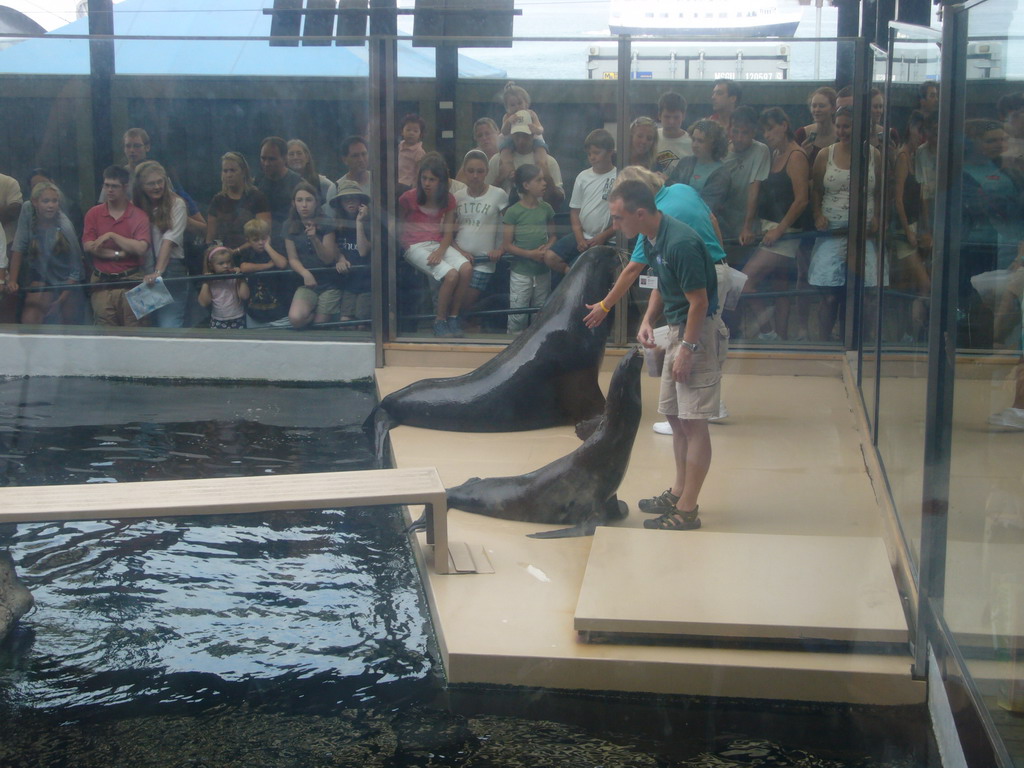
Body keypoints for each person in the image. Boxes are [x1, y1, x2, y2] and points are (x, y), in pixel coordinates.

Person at [582, 165, 731, 428]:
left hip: (694, 273)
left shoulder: (655, 223)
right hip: (717, 267)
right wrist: (719, 256)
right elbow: (714, 220)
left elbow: (632, 270)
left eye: (618, 215)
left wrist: (605, 305)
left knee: (695, 338)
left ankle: (698, 411)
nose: (615, 224)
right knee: (708, 333)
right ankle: (707, 405)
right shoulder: (683, 190)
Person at [610, 180, 720, 531]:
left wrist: (687, 349)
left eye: (618, 218)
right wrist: (647, 319)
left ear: (639, 214)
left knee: (693, 421)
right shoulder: (652, 237)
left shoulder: (681, 242)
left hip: (695, 331)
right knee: (674, 417)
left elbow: (699, 303)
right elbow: (662, 282)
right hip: (676, 326)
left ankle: (688, 509)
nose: (615, 226)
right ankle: (678, 490)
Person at [807, 106, 882, 342]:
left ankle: (864, 344)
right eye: (838, 126)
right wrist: (817, 214)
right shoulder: (824, 155)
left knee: (868, 295)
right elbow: (816, 190)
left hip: (864, 233)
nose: (842, 131)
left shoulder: (874, 155)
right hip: (831, 232)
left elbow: (880, 191)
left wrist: (878, 217)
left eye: (847, 126)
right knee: (828, 295)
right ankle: (823, 342)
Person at [740, 107, 810, 341]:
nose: (767, 135)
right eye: (764, 131)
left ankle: (768, 333)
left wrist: (780, 230)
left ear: (784, 125)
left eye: (771, 129)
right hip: (771, 229)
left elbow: (802, 200)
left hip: (785, 233)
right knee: (781, 289)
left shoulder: (795, 156)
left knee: (744, 281)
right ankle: (780, 339)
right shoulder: (775, 154)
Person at [399, 152, 472, 337]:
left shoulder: (448, 199)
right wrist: (404, 245)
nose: (427, 183)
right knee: (451, 275)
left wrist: (440, 251)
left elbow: (448, 232)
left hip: (438, 243)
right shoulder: (408, 198)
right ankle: (440, 320)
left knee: (466, 268)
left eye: (432, 179)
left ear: (441, 181)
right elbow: (397, 226)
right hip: (414, 246)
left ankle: (454, 316)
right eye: (424, 178)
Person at [82, 165, 151, 327]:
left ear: (125, 187)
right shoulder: (93, 213)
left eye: (114, 186)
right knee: (105, 334)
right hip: (102, 281)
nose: (109, 190)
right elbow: (89, 246)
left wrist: (111, 236)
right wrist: (120, 253)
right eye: (106, 185)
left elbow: (141, 248)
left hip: (134, 280)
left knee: (137, 332)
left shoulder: (139, 215)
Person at [6, 181, 83, 325]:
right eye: (46, 201)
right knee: (30, 317)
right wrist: (12, 280)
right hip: (40, 277)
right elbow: (19, 246)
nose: (51, 205)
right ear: (35, 202)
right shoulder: (27, 209)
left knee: (69, 320)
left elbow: (76, 270)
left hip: (66, 281)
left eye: (54, 201)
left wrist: (61, 299)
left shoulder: (65, 226)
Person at [546, 129, 617, 275]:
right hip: (583, 235)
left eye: (597, 153)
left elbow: (624, 218)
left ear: (610, 152)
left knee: (589, 271)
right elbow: (574, 211)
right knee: (550, 257)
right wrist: (579, 238)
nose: (592, 157)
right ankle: (572, 276)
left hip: (608, 239)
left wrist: (603, 236)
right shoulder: (582, 177)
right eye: (590, 153)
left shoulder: (619, 176)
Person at [452, 149, 508, 325]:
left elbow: (509, 225)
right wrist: (459, 251)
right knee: (451, 304)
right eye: (471, 171)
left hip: (483, 262)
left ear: (486, 172)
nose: (475, 175)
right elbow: (448, 232)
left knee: (465, 304)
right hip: (458, 260)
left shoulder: (498, 194)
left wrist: (501, 248)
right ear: (464, 171)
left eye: (480, 171)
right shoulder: (457, 197)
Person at [890, 110, 931, 342]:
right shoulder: (904, 156)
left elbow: (922, 196)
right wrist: (907, 231)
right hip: (902, 231)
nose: (922, 135)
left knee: (911, 285)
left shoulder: (918, 156)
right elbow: (897, 199)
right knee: (923, 284)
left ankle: (908, 334)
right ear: (910, 130)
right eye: (919, 131)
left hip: (915, 228)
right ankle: (910, 335)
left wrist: (925, 229)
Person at [133, 160, 190, 328]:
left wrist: (157, 272)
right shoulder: (136, 206)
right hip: (142, 269)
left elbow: (169, 241)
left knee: (168, 326)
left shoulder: (177, 204)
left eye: (160, 182)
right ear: (142, 186)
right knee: (145, 327)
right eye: (151, 183)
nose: (157, 187)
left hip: (170, 268)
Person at [503, 163, 556, 335]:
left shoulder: (546, 209)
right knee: (517, 315)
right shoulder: (513, 212)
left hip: (542, 270)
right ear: (526, 185)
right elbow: (507, 245)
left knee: (540, 314)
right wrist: (530, 254)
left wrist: (547, 248)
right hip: (521, 273)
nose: (544, 183)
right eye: (538, 180)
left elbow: (554, 236)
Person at [284, 182, 342, 329]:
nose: (304, 205)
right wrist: (305, 273)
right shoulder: (289, 225)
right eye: (299, 200)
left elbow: (328, 258)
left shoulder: (327, 222)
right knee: (296, 319)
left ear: (316, 202)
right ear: (294, 203)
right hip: (307, 283)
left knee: (319, 325)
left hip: (330, 283)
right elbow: (293, 259)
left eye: (308, 200)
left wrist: (314, 239)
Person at [719, 106, 771, 246]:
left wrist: (747, 228)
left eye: (745, 133)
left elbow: (754, 188)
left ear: (754, 132)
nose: (739, 138)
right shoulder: (720, 152)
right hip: (722, 223)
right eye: (735, 131)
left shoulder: (761, 150)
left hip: (749, 226)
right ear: (729, 129)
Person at [486, 122, 565, 210]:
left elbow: (559, 201)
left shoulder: (549, 161)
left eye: (525, 135)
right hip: (506, 219)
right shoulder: (497, 160)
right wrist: (500, 178)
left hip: (539, 219)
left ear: (532, 134)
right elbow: (484, 198)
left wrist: (547, 177)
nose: (521, 140)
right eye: (517, 135)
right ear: (511, 134)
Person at [206, 151, 271, 249]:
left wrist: (237, 251)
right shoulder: (218, 200)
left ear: (243, 172)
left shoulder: (258, 198)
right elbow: (210, 239)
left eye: (233, 170)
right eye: (225, 171)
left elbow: (265, 235)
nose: (229, 175)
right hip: (224, 256)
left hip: (253, 253)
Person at [329, 179, 372, 325]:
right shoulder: (337, 224)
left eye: (353, 197)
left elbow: (363, 251)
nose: (350, 202)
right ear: (340, 203)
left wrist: (360, 222)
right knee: (345, 321)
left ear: (361, 201)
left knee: (361, 322)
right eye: (346, 199)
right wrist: (340, 258)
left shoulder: (370, 222)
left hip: (367, 282)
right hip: (349, 282)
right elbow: (334, 245)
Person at [668, 119, 730, 219]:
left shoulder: (721, 174)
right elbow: (669, 191)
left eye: (700, 141)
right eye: (693, 139)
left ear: (714, 144)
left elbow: (706, 208)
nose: (695, 145)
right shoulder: (685, 162)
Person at [237, 217, 288, 327]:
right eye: (256, 240)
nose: (261, 243)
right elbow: (244, 267)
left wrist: (268, 247)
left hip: (280, 314)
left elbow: (282, 264)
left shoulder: (276, 247)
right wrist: (267, 265)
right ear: (248, 240)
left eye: (263, 239)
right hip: (255, 314)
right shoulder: (247, 252)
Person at [256, 136, 303, 254]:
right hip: (263, 243)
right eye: (263, 158)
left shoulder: (297, 184)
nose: (266, 163)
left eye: (271, 159)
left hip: (292, 243)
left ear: (284, 158)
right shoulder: (257, 182)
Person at [497, 82, 548, 182]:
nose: (517, 107)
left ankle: (540, 165)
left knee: (540, 148)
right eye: (512, 105)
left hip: (532, 137)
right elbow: (504, 131)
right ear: (507, 107)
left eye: (520, 103)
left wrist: (536, 129)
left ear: (526, 103)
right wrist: (508, 122)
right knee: (505, 150)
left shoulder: (531, 114)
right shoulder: (507, 116)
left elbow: (540, 128)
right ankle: (510, 169)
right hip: (512, 139)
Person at [197, 245, 249, 329]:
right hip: (218, 320)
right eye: (221, 263)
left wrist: (240, 277)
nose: (226, 265)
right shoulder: (211, 281)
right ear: (211, 265)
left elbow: (245, 296)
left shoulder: (234, 277)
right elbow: (204, 302)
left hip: (238, 318)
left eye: (228, 262)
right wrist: (206, 282)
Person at [287, 139, 336, 216]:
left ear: (307, 157)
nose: (295, 157)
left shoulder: (321, 182)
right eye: (291, 154)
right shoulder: (282, 182)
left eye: (299, 153)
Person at [795, 86, 838, 167]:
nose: (817, 110)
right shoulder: (802, 134)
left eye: (821, 106)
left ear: (833, 109)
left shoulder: (841, 135)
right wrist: (803, 156)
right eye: (814, 106)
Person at [654, 91, 693, 176]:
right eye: (667, 117)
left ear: (683, 116)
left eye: (676, 117)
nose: (671, 122)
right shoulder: (651, 137)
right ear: (659, 116)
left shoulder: (692, 143)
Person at [397, 113, 427, 194]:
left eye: (415, 131)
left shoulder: (419, 152)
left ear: (420, 134)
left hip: (408, 187)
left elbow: (419, 173)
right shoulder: (398, 146)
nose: (411, 133)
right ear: (402, 131)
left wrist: (415, 189)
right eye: (408, 130)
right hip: (396, 183)